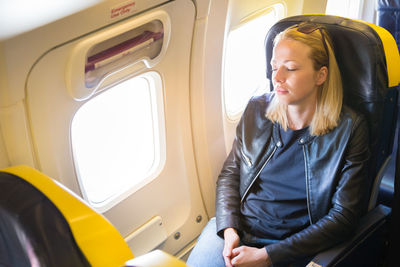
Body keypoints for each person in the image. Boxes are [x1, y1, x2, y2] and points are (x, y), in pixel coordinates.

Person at [186, 22, 370, 267]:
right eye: (274, 67)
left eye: (290, 69)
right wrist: (229, 229)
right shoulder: (256, 110)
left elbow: (343, 217)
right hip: (239, 230)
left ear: (321, 75)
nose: (277, 77)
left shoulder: (350, 129)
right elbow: (230, 174)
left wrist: (267, 256)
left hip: (296, 245)